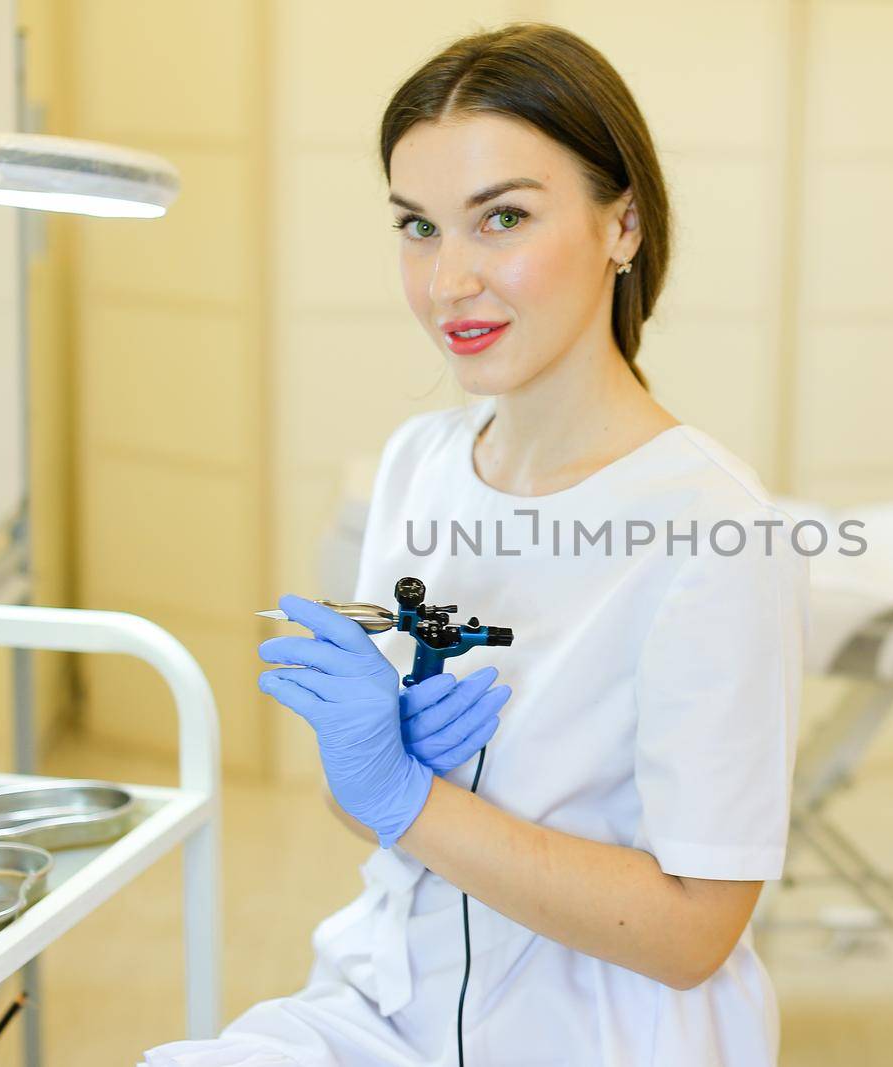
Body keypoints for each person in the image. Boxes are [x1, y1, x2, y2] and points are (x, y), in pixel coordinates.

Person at [143, 21, 807, 1067]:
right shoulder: (417, 462)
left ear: (621, 225)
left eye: (502, 218)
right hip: (382, 1002)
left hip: (600, 1034)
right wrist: (381, 774)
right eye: (418, 226)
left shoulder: (710, 528)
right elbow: (369, 806)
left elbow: (692, 932)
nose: (449, 280)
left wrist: (413, 796)